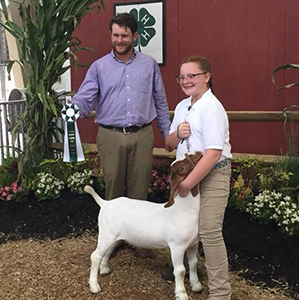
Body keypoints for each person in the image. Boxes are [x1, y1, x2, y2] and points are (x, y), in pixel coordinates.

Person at [71, 13, 171, 257]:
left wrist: (167, 132)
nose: (119, 39)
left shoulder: (148, 65)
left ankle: (141, 243)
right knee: (113, 190)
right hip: (110, 135)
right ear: (111, 35)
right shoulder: (99, 67)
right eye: (115, 34)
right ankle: (112, 242)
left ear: (134, 36)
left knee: (139, 190)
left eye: (124, 35)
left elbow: (159, 99)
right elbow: (85, 98)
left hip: (142, 134)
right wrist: (73, 109)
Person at [165, 55, 232, 300]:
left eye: (191, 76)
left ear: (207, 77)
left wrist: (187, 185)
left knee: (209, 230)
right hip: (184, 170)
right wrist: (178, 134)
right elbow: (168, 144)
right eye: (181, 77)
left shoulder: (212, 108)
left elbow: (213, 153)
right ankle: (181, 268)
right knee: (181, 223)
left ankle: (220, 293)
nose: (185, 81)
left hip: (211, 173)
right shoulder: (183, 106)